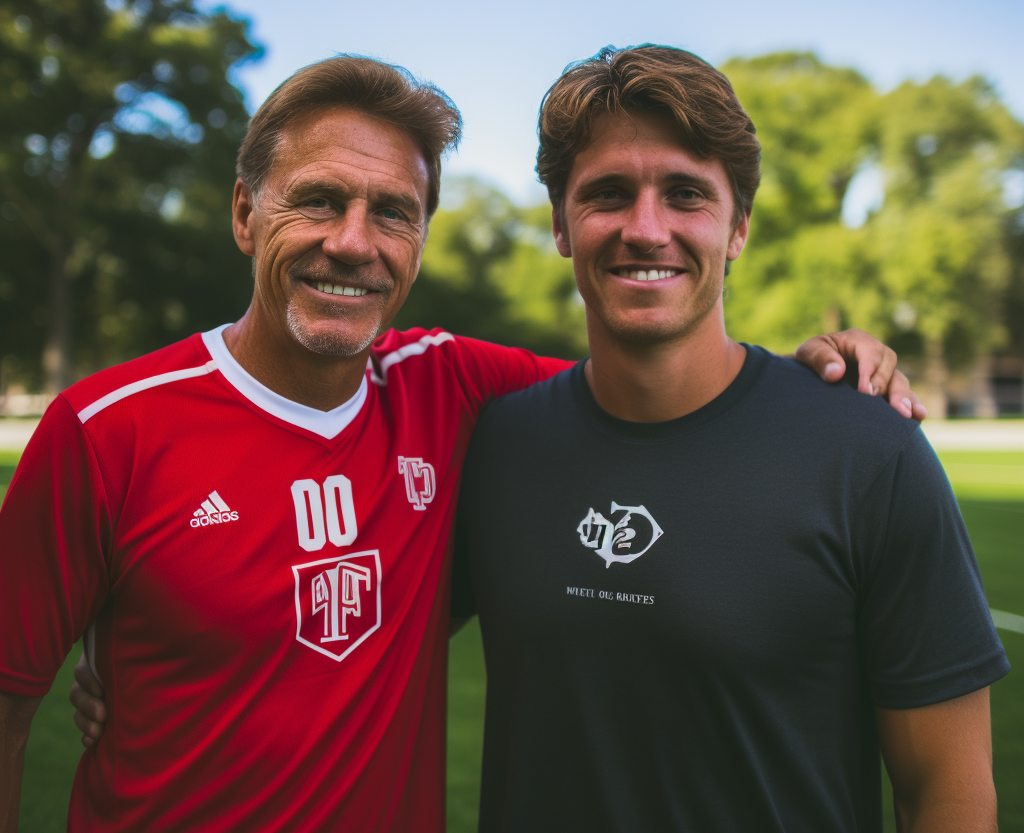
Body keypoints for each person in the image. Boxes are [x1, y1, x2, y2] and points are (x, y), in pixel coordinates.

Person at [1, 55, 915, 833]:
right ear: (245, 214)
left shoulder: (458, 388)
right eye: (317, 201)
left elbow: (656, 376)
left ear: (423, 237)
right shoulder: (105, 429)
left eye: (393, 213)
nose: (352, 244)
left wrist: (820, 372)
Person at [452, 45, 1008, 832]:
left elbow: (946, 792)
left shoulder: (867, 451)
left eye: (686, 195)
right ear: (560, 226)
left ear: (738, 227)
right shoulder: (496, 445)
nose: (646, 230)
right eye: (608, 194)